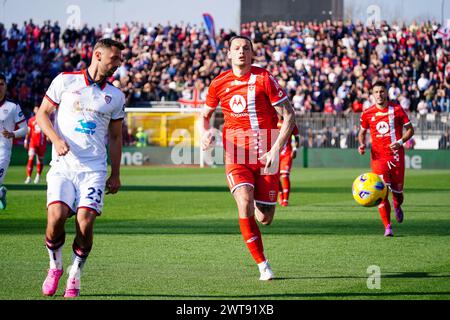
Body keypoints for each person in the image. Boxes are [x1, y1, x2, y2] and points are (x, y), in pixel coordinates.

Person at [36, 38, 125, 298]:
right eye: (114, 58)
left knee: (85, 223)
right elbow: (42, 114)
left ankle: (75, 272)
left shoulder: (116, 96)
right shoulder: (65, 80)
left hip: (93, 170)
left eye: (119, 60)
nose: (117, 64)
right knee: (55, 217)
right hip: (63, 166)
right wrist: (55, 139)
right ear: (98, 55)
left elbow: (116, 137)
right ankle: (55, 266)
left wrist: (116, 173)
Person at [202, 35, 296, 280]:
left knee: (265, 218)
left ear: (252, 54)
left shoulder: (264, 78)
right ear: (229, 54)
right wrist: (207, 132)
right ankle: (263, 265)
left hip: (267, 156)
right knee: (244, 201)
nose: (241, 52)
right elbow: (205, 115)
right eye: (236, 48)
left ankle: (256, 200)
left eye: (246, 48)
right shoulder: (218, 83)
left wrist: (275, 149)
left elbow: (289, 115)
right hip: (236, 155)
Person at [358, 80, 414, 237]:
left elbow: (410, 130)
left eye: (381, 91)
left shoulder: (396, 109)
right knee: (381, 193)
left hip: (396, 157)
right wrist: (361, 145)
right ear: (372, 94)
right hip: (378, 159)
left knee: (398, 193)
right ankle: (387, 226)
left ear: (386, 92)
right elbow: (361, 133)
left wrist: (400, 142)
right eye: (376, 92)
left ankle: (397, 205)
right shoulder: (367, 113)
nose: (379, 95)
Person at [0, 73, 27, 209]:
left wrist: (12, 134)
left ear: (5, 86)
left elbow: (25, 129)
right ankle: (1, 193)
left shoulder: (13, 106)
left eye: (1, 84)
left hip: (3, 151)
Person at [277, 116, 300, 207]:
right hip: (275, 154)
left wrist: (295, 150)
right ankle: (280, 193)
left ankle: (285, 200)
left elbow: (296, 138)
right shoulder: (272, 121)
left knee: (285, 175)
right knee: (274, 177)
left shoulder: (291, 123)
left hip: (287, 153)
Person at [24, 106, 47, 184]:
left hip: (42, 143)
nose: (37, 110)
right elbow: (28, 131)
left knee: (40, 160)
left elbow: (47, 130)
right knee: (31, 157)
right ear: (34, 110)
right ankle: (29, 177)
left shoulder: (44, 119)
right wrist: (26, 140)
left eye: (39, 109)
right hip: (33, 143)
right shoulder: (31, 120)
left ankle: (38, 176)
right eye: (36, 109)